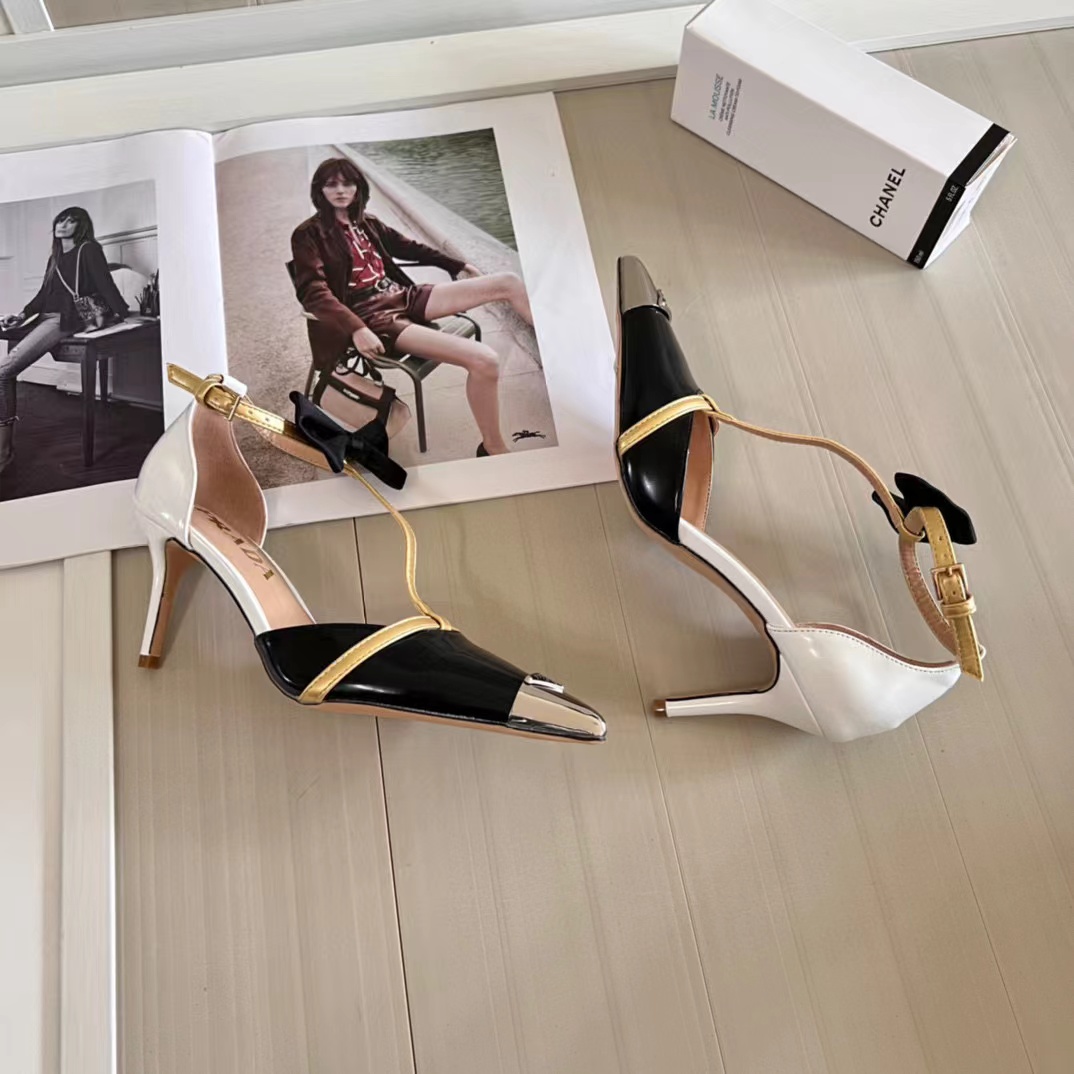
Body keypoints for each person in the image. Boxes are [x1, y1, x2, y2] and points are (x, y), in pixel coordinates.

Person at [291, 157, 535, 456]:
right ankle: (493, 447)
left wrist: (455, 264)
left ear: (358, 187)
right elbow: (313, 292)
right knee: (485, 360)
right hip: (371, 316)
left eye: (347, 183)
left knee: (508, 281)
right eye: (332, 184)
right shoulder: (308, 234)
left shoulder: (366, 222)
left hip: (401, 295)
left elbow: (407, 246)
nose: (340, 190)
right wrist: (356, 328)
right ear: (320, 189)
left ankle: (556, 350)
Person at [0, 206, 129, 472]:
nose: (64, 224)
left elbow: (105, 283)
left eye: (72, 221)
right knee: (5, 369)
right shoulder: (55, 257)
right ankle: (4, 449)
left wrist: (122, 313)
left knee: (3, 371)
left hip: (63, 320)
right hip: (44, 318)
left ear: (81, 227)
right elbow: (43, 295)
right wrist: (21, 315)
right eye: (61, 220)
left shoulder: (88, 249)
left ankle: (3, 453)